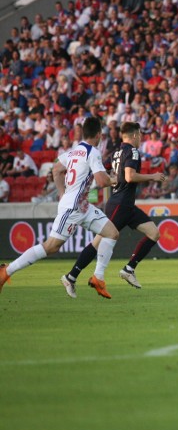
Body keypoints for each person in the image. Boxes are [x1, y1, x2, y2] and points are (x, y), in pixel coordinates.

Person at [0, 118, 119, 298]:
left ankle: (98, 278)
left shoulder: (74, 151)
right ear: (98, 135)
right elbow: (102, 181)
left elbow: (56, 170)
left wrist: (62, 192)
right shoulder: (93, 152)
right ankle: (6, 271)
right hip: (72, 208)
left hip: (82, 206)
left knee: (112, 232)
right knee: (51, 247)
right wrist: (114, 179)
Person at [62, 122, 167, 296]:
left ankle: (129, 269)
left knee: (154, 233)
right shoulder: (132, 151)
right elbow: (129, 176)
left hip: (126, 204)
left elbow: (105, 170)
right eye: (140, 135)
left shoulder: (116, 152)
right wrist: (153, 176)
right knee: (99, 241)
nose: (141, 138)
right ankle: (72, 276)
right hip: (120, 204)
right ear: (134, 136)